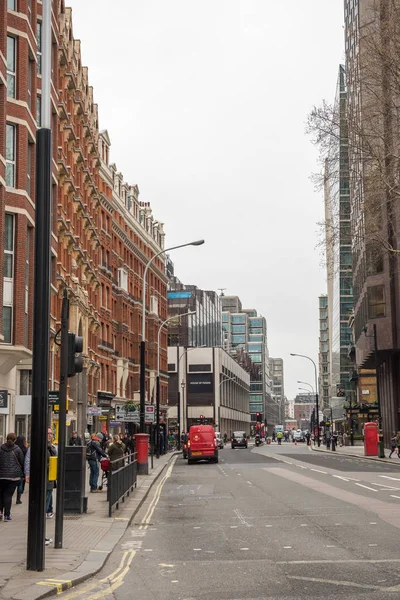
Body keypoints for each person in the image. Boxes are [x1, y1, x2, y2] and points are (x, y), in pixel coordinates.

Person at [0, 433, 24, 521]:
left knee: (1, 495)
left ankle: (0, 512)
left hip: (1, 476)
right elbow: (22, 461)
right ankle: (7, 515)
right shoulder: (17, 449)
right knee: (8, 496)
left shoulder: (1, 448)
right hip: (13, 477)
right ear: (15, 440)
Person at [46, 428, 57, 518]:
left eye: (51, 433)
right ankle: (46, 511)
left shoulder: (53, 447)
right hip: (43, 476)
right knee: (47, 494)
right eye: (48, 433)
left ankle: (49, 510)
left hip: (50, 475)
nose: (49, 435)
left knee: (49, 492)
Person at [15, 435, 28, 504]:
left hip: (14, 468)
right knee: (20, 483)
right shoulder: (25, 449)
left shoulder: (14, 448)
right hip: (21, 468)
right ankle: (18, 498)